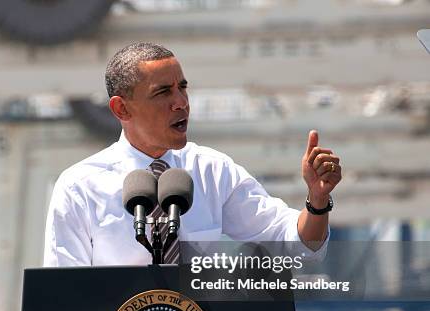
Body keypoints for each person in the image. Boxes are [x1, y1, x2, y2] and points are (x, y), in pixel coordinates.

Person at [43, 42, 342, 267]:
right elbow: (65, 294)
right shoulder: (79, 187)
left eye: (182, 89)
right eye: (163, 93)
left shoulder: (213, 171)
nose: (181, 103)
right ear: (122, 109)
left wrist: (317, 202)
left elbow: (296, 246)